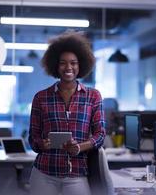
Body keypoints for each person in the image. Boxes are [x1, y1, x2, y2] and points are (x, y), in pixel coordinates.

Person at [28, 31, 106, 195]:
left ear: (80, 65)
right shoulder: (41, 97)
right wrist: (42, 144)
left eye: (73, 63)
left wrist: (79, 147)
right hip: (44, 173)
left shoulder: (93, 96)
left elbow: (100, 134)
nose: (68, 67)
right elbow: (33, 138)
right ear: (56, 65)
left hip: (77, 173)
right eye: (63, 63)